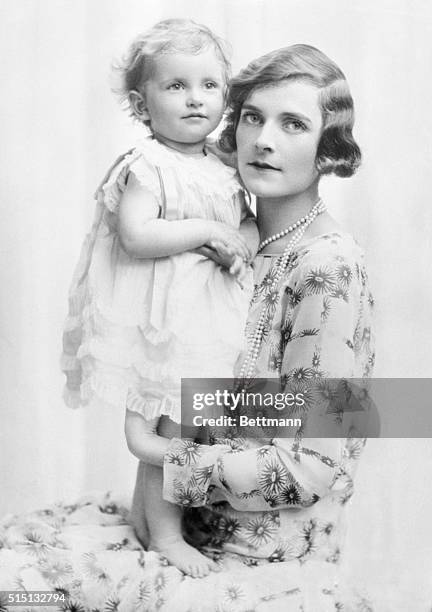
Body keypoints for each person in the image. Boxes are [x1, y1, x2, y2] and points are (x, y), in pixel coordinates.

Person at [130, 44, 375, 610]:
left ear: (328, 146)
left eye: (293, 124)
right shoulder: (227, 239)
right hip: (181, 541)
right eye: (251, 117)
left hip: (266, 571)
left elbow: (315, 463)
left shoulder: (328, 267)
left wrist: (159, 454)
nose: (264, 140)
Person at [61, 19, 258, 579]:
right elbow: (136, 234)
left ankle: (150, 525)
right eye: (176, 86)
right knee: (170, 431)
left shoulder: (221, 166)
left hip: (208, 322)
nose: (195, 98)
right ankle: (168, 536)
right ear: (141, 104)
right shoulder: (150, 164)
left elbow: (243, 226)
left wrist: (236, 249)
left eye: (209, 86)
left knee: (184, 430)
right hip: (164, 327)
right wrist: (202, 231)